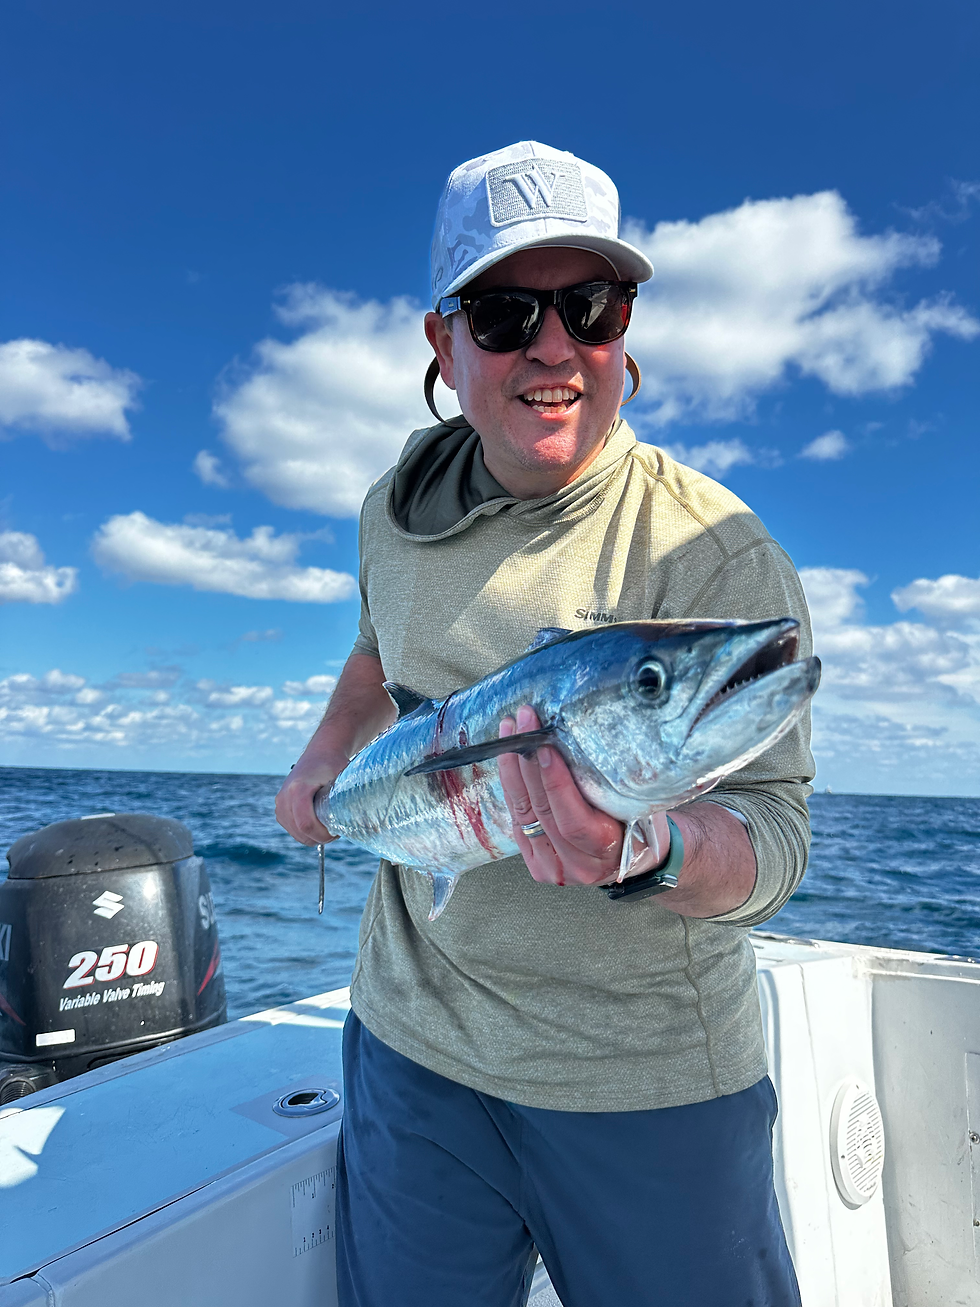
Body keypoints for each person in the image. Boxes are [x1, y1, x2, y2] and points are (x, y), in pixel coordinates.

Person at [276, 141, 811, 1307]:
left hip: (644, 1085)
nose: (553, 346)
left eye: (589, 305)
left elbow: (773, 836)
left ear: (624, 327)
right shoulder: (388, 513)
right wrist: (323, 760)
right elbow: (375, 649)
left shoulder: (714, 551)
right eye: (504, 312)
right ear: (444, 342)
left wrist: (656, 845)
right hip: (411, 1050)